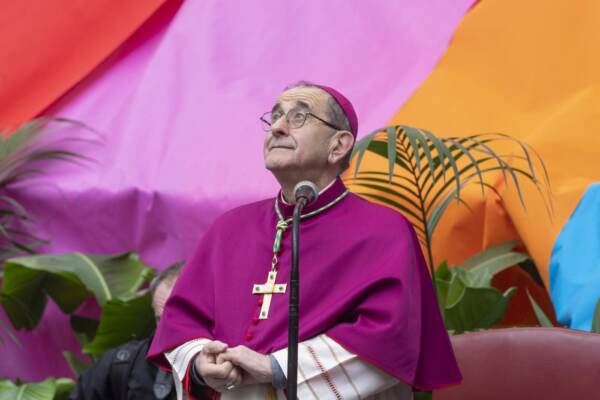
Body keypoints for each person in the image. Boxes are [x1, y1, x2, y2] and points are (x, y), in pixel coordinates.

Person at [148, 82, 462, 399]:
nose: (279, 128)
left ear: (338, 146)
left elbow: (389, 337)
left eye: (299, 117)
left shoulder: (385, 231)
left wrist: (277, 367)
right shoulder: (228, 229)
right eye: (275, 117)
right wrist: (202, 364)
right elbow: (181, 324)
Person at [70, 262, 184, 400]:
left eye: (180, 320)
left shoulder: (215, 366)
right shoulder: (123, 363)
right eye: (160, 320)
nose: (168, 332)